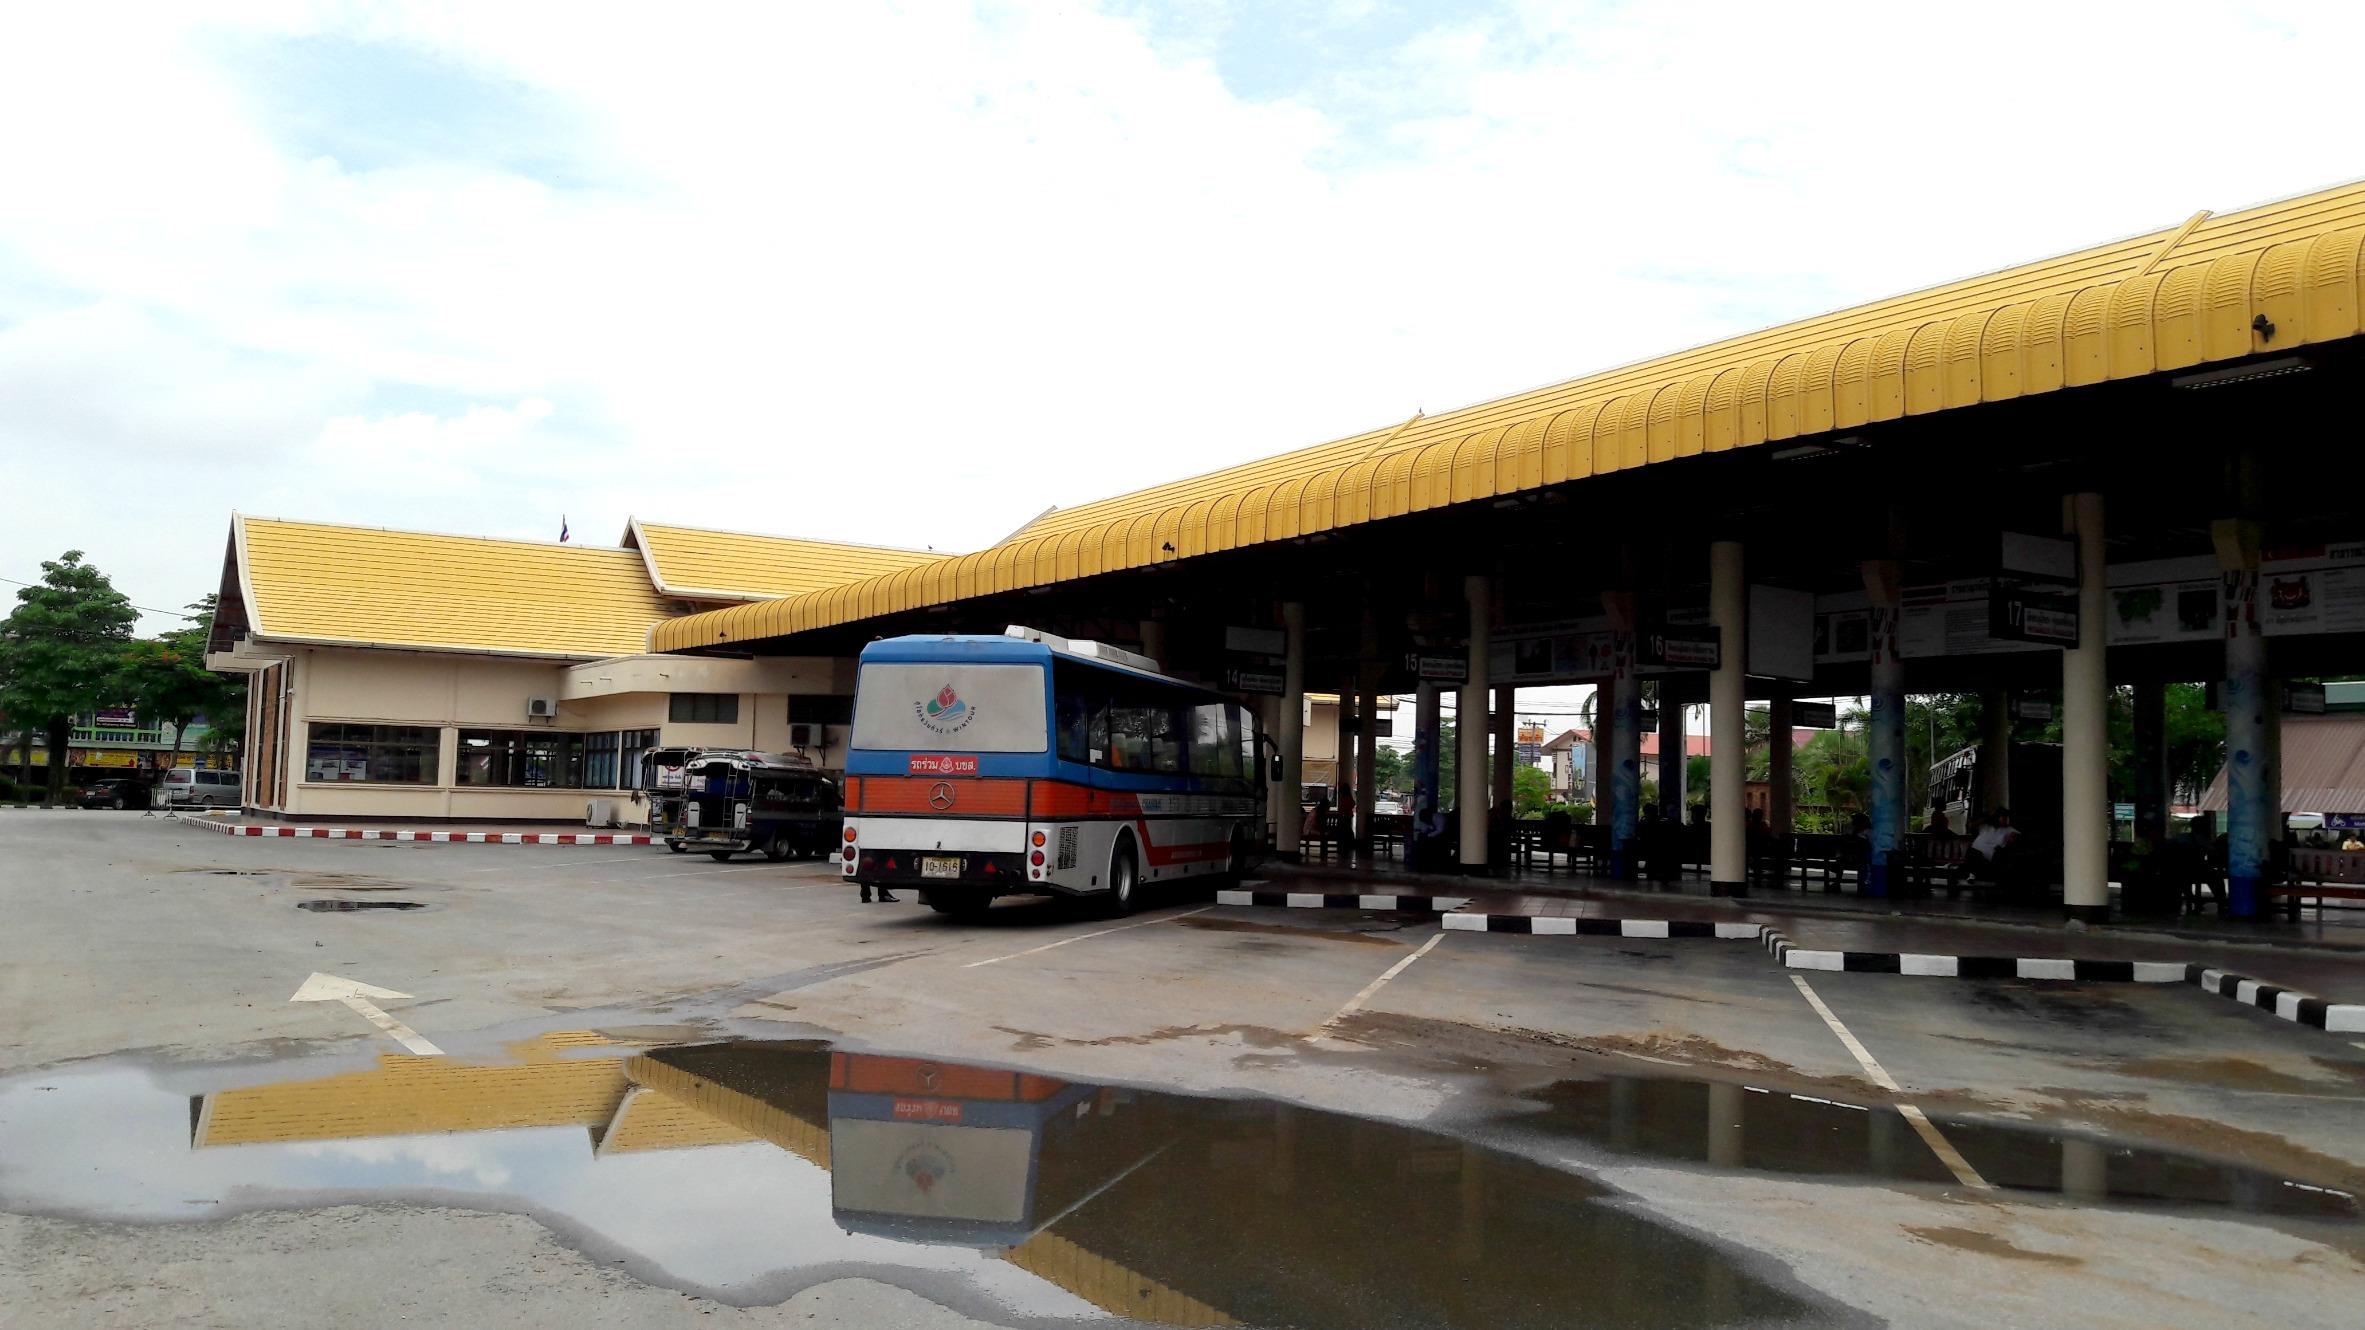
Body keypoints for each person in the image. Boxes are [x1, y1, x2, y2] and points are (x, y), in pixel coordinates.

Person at [1966, 807, 2019, 884]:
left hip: (1991, 857)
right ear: (1997, 818)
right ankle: (1972, 875)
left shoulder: (2008, 829)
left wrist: (2011, 839)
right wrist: (1988, 817)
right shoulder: (1985, 827)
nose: (2006, 819)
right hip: (1976, 854)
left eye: (2006, 817)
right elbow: (1971, 825)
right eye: (2003, 817)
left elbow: (2014, 837)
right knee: (1972, 852)